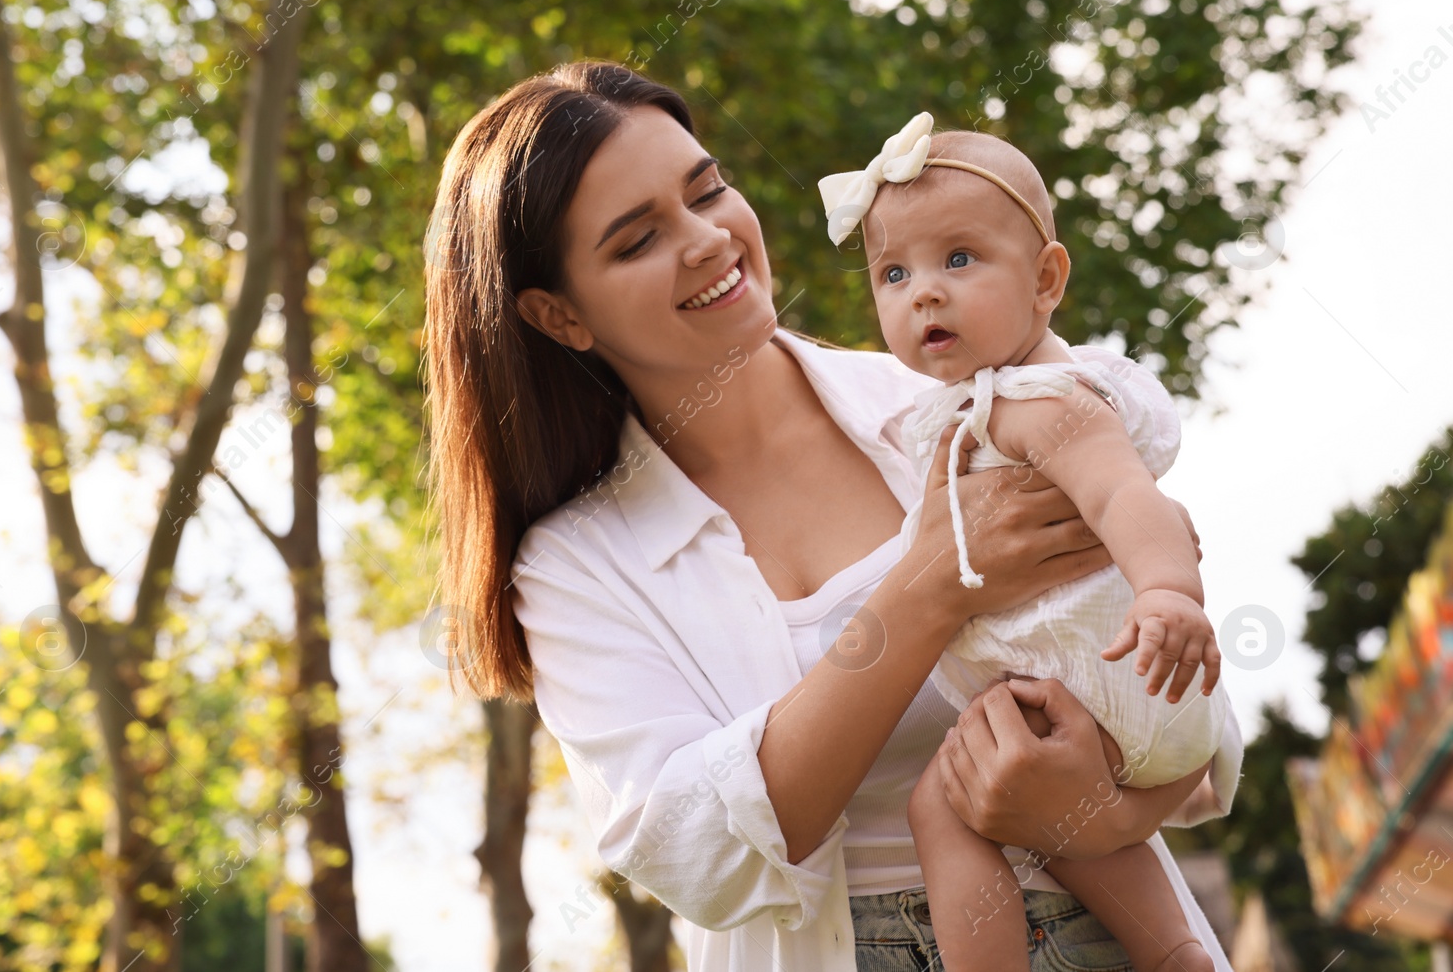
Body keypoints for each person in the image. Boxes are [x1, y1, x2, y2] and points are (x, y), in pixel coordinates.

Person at [422, 60, 1242, 971]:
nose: (705, 240)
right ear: (559, 313)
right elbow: (697, 855)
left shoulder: (966, 404)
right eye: (636, 241)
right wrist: (927, 586)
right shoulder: (575, 565)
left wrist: (1100, 811)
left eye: (707, 191)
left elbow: (1165, 685)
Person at [818, 113, 1240, 972]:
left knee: (944, 804)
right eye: (893, 272)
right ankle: (1175, 953)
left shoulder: (1036, 400)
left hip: (1107, 679)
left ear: (1047, 279)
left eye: (958, 259)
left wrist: (1169, 592)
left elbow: (1128, 495)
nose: (923, 292)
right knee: (1057, 821)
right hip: (1119, 705)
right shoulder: (982, 403)